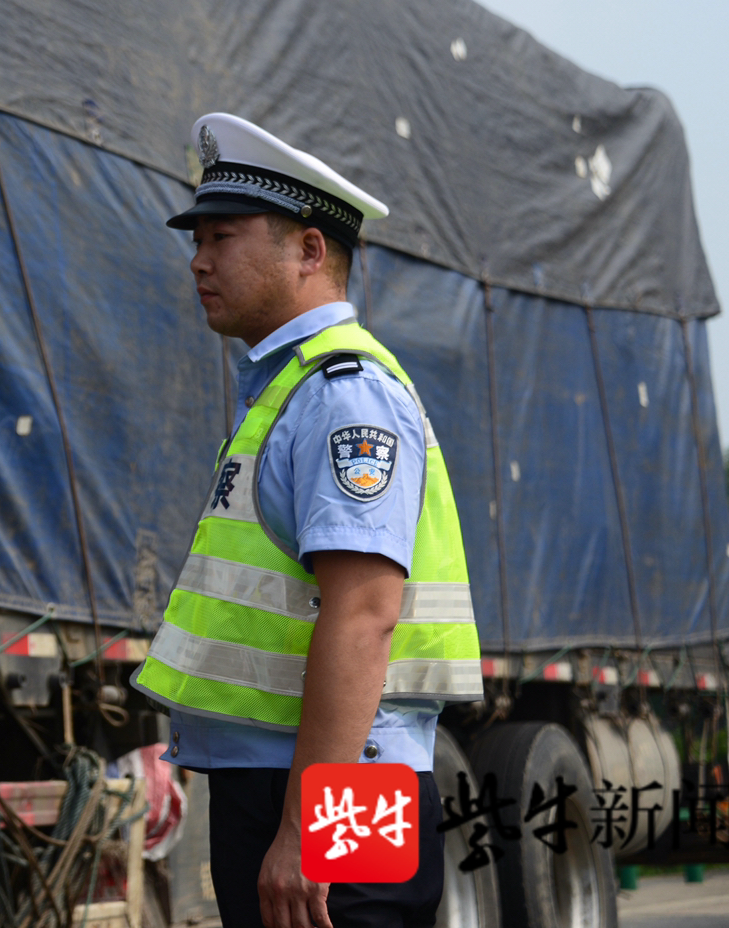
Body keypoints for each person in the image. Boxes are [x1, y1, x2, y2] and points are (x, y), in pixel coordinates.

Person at [131, 114, 483, 928]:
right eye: (198, 239)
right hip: (301, 779)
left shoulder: (341, 394)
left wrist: (305, 831)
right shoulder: (290, 390)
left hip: (342, 785)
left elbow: (363, 615)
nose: (199, 260)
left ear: (310, 251)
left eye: (223, 237)